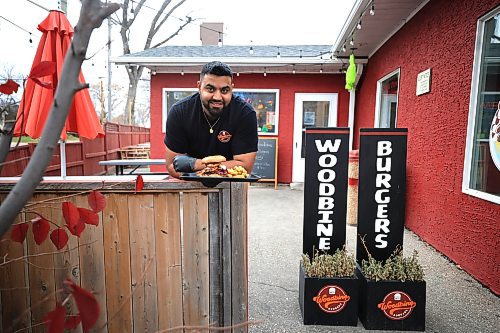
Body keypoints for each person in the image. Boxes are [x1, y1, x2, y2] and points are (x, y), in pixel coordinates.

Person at [164, 61, 258, 178]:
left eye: (224, 90)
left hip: (232, 187)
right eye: (210, 89)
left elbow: (244, 167)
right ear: (199, 87)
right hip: (189, 185)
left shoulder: (245, 114)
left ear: (231, 89)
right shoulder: (180, 112)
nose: (217, 97)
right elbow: (173, 166)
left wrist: (195, 164)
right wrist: (222, 167)